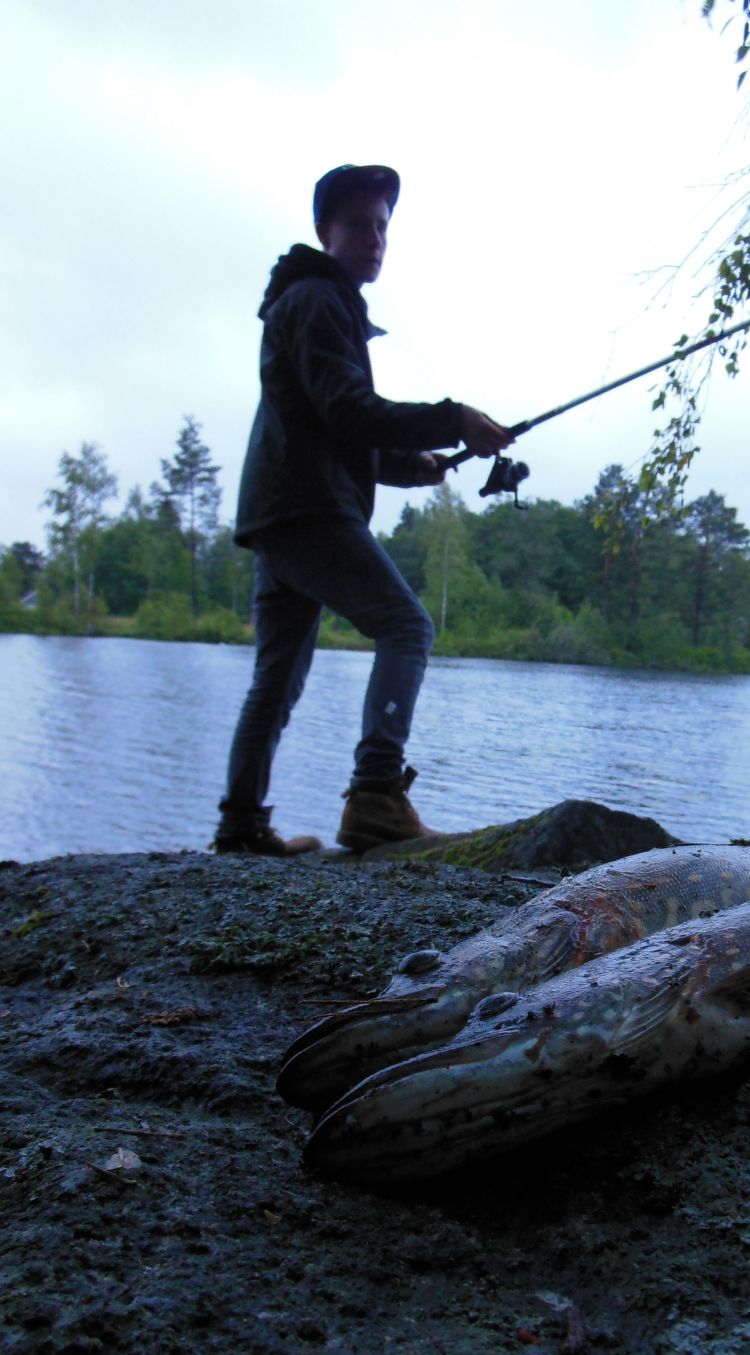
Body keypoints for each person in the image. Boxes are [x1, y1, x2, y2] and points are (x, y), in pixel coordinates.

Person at [214, 163, 512, 857]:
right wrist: (454, 418)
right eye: (359, 224)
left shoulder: (315, 302)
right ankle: (376, 795)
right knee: (407, 626)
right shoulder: (318, 299)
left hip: (281, 512)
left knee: (276, 679)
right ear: (325, 230)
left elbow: (328, 426)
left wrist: (411, 466)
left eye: (382, 226)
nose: (375, 239)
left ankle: (240, 825)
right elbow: (348, 409)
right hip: (309, 511)